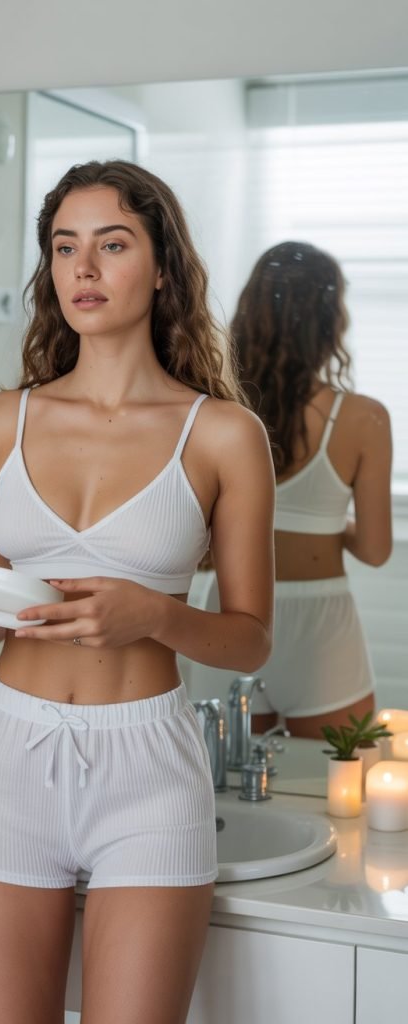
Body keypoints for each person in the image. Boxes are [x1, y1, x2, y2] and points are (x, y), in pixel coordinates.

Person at [0, 160, 274, 1024]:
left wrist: (154, 613)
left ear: (162, 268)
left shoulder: (225, 435)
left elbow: (251, 639)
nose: (83, 268)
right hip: (10, 754)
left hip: (148, 770)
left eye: (112, 244)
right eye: (64, 247)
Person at [230, 240, 392, 740]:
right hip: (321, 625)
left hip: (229, 615)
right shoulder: (363, 418)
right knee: (339, 790)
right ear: (329, 321)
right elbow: (374, 549)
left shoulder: (215, 405)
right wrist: (327, 525)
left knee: (222, 792)